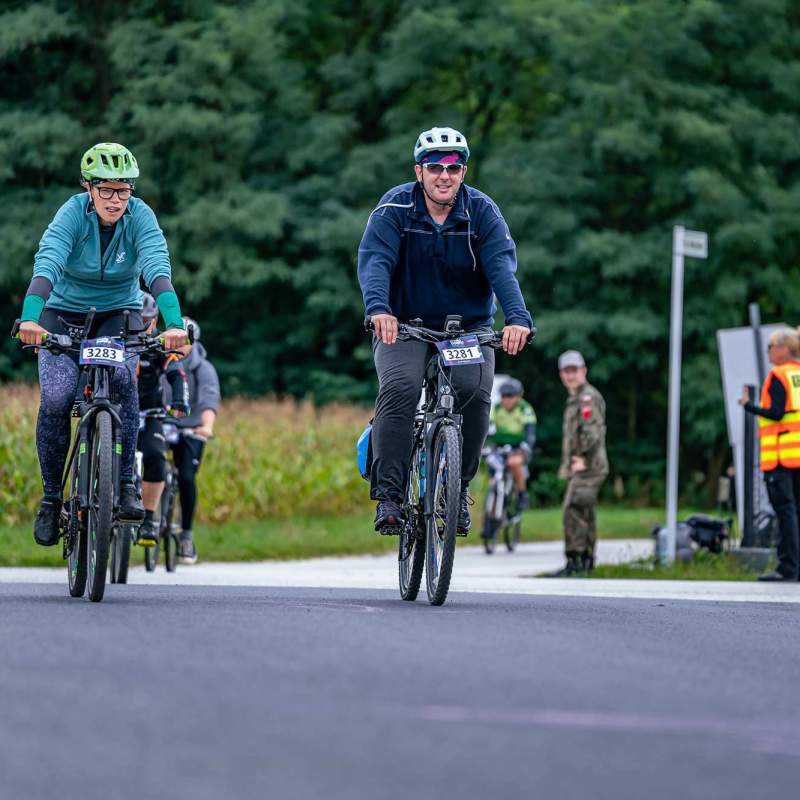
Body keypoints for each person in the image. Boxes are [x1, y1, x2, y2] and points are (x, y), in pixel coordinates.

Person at [357, 126, 533, 534]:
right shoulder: (394, 208)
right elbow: (375, 261)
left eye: (453, 168)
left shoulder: (482, 212)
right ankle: (389, 497)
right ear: (419, 171)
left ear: (463, 172)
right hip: (403, 324)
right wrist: (379, 309)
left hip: (466, 329)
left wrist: (518, 318)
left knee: (474, 392)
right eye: (435, 167)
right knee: (400, 388)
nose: (444, 176)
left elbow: (502, 268)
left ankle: (457, 487)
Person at [17, 142, 187, 547]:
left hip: (118, 313)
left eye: (123, 190)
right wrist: (29, 316)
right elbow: (49, 263)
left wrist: (175, 323)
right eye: (107, 190)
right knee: (57, 399)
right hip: (62, 312)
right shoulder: (71, 215)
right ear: (88, 188)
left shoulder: (141, 217)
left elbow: (157, 269)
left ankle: (126, 482)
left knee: (125, 384)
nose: (116, 199)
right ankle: (52, 498)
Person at [739, 328, 800, 581]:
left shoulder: (778, 375)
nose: (769, 351)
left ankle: (787, 567)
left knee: (786, 512)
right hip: (796, 455)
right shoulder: (797, 374)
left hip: (779, 456)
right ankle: (796, 568)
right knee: (796, 511)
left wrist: (748, 406)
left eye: (771, 346)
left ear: (784, 348)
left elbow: (775, 413)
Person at [163, 317, 220, 564]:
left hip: (191, 428)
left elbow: (209, 400)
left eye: (183, 341)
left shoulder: (203, 368)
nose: (178, 346)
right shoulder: (161, 361)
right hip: (162, 423)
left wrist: (206, 426)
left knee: (186, 476)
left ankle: (186, 534)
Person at [135, 293, 191, 547]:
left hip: (150, 413)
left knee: (156, 456)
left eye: (149, 320)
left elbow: (175, 373)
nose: (145, 325)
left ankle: (148, 519)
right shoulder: (118, 341)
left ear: (156, 320)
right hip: (117, 411)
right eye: (139, 320)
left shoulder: (159, 344)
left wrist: (180, 401)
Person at [549, 350, 608, 576]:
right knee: (585, 511)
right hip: (588, 465)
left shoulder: (587, 398)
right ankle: (586, 560)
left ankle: (575, 562)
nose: (570, 375)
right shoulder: (576, 397)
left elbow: (593, 432)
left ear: (584, 371)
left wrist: (582, 457)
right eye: (566, 371)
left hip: (588, 466)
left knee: (572, 510)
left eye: (574, 370)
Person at [485, 378, 537, 511]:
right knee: (491, 464)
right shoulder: (496, 408)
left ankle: (521, 494)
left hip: (519, 447)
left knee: (514, 463)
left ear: (519, 396)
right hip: (500, 446)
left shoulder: (525, 409)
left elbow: (530, 432)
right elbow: (489, 429)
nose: (506, 400)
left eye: (510, 396)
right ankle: (492, 511)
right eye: (503, 396)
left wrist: (524, 448)